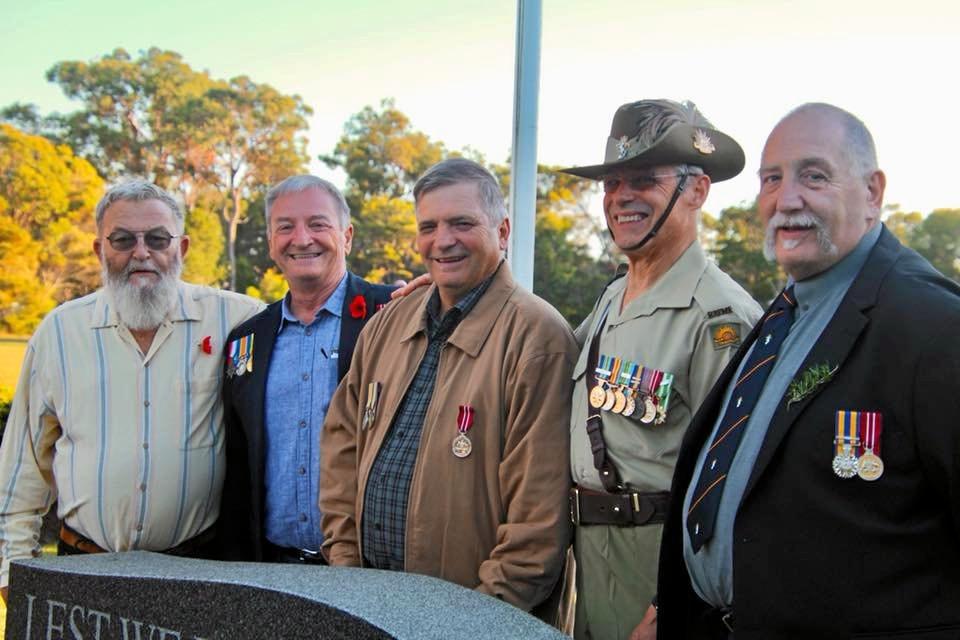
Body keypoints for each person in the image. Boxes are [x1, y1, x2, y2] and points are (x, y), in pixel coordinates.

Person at [655, 103, 960, 639]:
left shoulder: (931, 325)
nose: (786, 199)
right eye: (771, 179)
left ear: (872, 192)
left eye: (814, 176)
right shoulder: (788, 310)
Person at [320, 158, 578, 614]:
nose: (442, 241)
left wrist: (475, 621)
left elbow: (537, 523)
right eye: (429, 226)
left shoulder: (538, 338)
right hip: (367, 602)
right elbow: (342, 448)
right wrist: (345, 569)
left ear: (502, 231)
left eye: (462, 223)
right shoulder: (388, 325)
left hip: (471, 619)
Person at [0, 179, 263, 601]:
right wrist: (11, 570)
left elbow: (309, 319)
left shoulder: (237, 318)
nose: (141, 252)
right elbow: (22, 467)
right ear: (99, 249)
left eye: (158, 238)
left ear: (183, 247)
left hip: (195, 573)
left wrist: (391, 304)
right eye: (123, 239)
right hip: (82, 572)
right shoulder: (60, 333)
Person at [558, 99, 762, 640]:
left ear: (696, 190)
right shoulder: (613, 296)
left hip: (661, 577)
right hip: (592, 565)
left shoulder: (720, 317)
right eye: (611, 183)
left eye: (644, 179)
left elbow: (736, 491)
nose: (621, 197)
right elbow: (540, 352)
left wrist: (667, 610)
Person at [217, 175, 394, 564]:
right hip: (271, 567)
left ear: (346, 236)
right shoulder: (246, 340)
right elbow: (238, 459)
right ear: (270, 243)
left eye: (318, 224)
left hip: (371, 567)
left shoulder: (394, 315)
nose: (301, 238)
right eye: (285, 227)